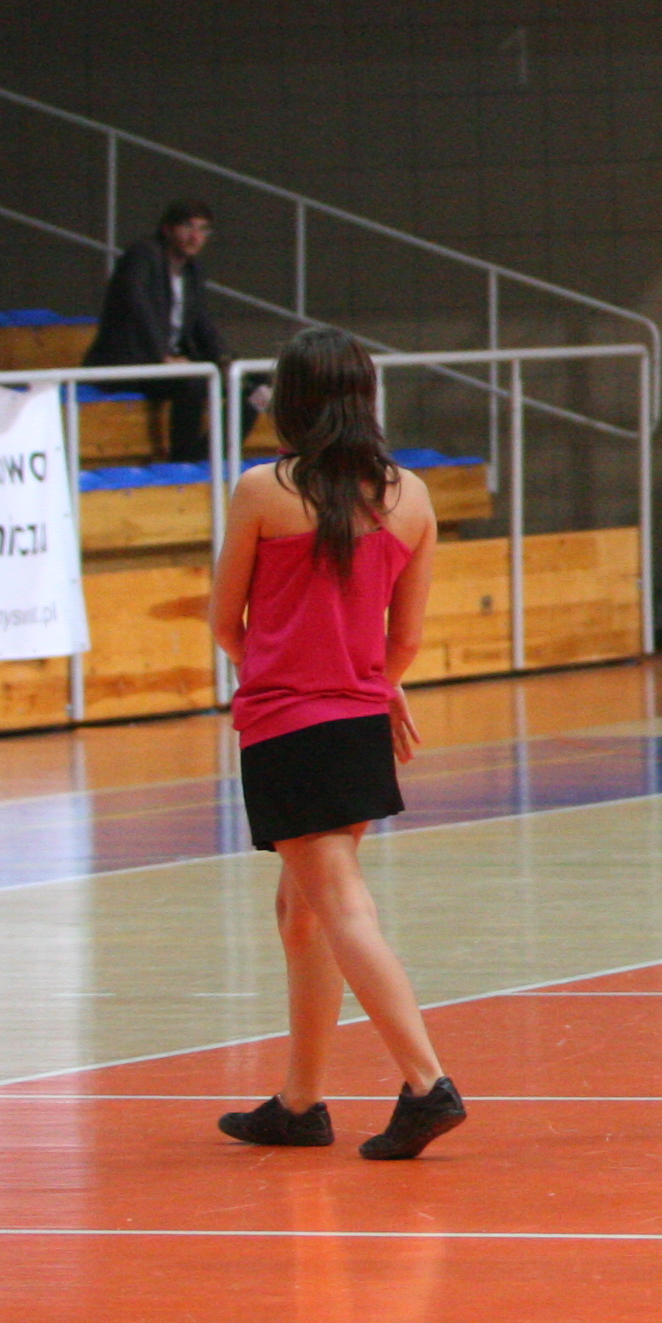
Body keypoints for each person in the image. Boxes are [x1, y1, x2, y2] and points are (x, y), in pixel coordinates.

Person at [207, 327, 464, 1160]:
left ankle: (426, 1084)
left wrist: (282, 670)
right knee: (302, 912)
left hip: (288, 726)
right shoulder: (411, 497)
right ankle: (301, 1101)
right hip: (359, 724)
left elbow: (226, 621)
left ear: (291, 400)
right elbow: (407, 640)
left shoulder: (262, 490)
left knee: (341, 906)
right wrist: (371, 681)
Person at [86, 197, 229, 465]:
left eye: (203, 229)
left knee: (253, 388)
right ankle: (183, 461)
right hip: (132, 362)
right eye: (188, 227)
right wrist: (162, 356)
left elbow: (201, 321)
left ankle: (205, 457)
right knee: (193, 382)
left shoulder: (193, 270)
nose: (195, 237)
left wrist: (225, 359)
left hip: (167, 362)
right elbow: (137, 305)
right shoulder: (142, 255)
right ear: (167, 229)